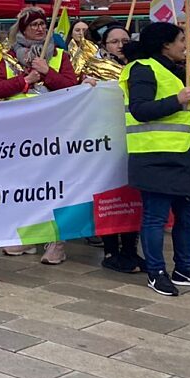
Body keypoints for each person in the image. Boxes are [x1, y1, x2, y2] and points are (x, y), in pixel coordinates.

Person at [121, 22, 190, 296]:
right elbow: (140, 109)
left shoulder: (180, 71)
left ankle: (185, 269)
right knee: (155, 218)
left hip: (186, 157)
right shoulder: (142, 68)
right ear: (165, 44)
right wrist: (177, 99)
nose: (185, 45)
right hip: (155, 156)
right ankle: (156, 273)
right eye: (181, 40)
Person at [0, 6, 78, 264]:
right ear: (23, 29)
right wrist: (25, 80)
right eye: (34, 25)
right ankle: (28, 236)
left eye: (42, 24)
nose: (40, 28)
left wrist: (48, 72)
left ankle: (56, 242)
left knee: (54, 186)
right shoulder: (9, 57)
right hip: (20, 134)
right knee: (26, 186)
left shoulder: (59, 56)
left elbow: (71, 86)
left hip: (54, 132)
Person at [79, 22, 144, 272]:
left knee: (131, 196)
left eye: (125, 41)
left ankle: (130, 250)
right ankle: (110, 251)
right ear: (104, 45)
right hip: (104, 139)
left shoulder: (139, 67)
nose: (120, 46)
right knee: (109, 196)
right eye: (114, 41)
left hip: (132, 138)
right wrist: (85, 85)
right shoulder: (93, 67)